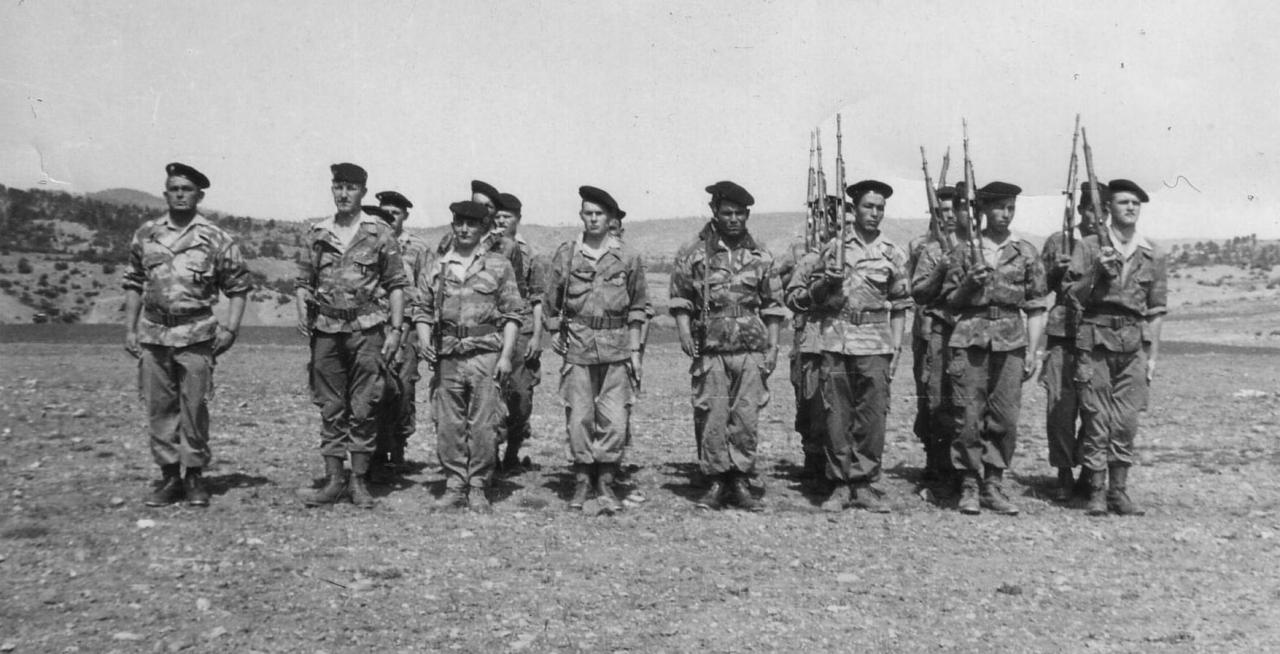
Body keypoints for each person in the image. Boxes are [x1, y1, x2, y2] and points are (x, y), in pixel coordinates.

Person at [122, 162, 252, 507]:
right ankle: (168, 478)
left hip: (196, 334)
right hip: (153, 332)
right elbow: (134, 283)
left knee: (194, 408)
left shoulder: (216, 238)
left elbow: (238, 287)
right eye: (174, 188)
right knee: (159, 408)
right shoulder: (146, 234)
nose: (180, 194)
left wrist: (231, 328)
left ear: (199, 195)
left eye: (187, 189)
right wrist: (130, 328)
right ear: (165, 193)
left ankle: (194, 477)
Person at [787, 180, 910, 513]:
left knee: (872, 417)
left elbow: (900, 303)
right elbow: (805, 297)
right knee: (836, 415)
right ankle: (840, 484)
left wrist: (896, 346)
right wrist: (828, 282)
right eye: (868, 207)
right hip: (836, 339)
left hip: (875, 341)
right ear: (854, 209)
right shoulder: (833, 249)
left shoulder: (892, 253)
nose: (874, 213)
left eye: (880, 208)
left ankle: (864, 482)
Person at [294, 163, 408, 509]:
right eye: (338, 187)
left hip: (367, 330)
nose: (344, 194)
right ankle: (333, 480)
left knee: (364, 406)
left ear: (362, 192)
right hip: (327, 330)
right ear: (332, 189)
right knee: (331, 405)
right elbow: (303, 282)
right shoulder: (317, 233)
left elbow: (396, 286)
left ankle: (358, 481)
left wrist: (396, 330)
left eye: (351, 188)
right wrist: (303, 311)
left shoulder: (379, 233)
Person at [669, 181, 785, 511]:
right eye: (726, 213)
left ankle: (741, 478)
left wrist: (774, 347)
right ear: (714, 212)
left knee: (746, 417)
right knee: (712, 416)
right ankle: (716, 480)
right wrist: (683, 332)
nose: (733, 219)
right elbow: (680, 297)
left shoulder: (760, 254)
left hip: (750, 347)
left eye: (739, 214)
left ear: (747, 215)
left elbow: (773, 305)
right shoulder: (694, 252)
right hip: (712, 346)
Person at [940, 181, 1048, 516]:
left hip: (1011, 340)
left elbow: (1035, 304)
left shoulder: (1026, 252)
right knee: (968, 415)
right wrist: (969, 284)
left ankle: (994, 483)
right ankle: (969, 483)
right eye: (999, 207)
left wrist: (1032, 350)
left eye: (1011, 208)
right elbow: (948, 301)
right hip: (970, 336)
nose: (1005, 214)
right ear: (983, 210)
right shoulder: (964, 250)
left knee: (1005, 416)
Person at [412, 200, 524, 512]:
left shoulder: (499, 265)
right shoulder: (437, 266)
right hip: (448, 355)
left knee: (484, 423)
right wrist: (423, 340)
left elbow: (514, 313)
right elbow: (420, 308)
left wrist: (506, 356)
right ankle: (454, 484)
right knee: (448, 423)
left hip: (485, 354)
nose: (464, 229)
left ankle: (478, 486)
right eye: (459, 222)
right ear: (452, 225)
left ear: (483, 229)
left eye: (471, 224)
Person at [544, 186, 648, 514]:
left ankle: (605, 480)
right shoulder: (566, 254)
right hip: (577, 347)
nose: (593, 219)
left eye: (599, 214)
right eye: (588, 213)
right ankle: (581, 480)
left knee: (615, 420)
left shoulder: (627, 257)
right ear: (581, 215)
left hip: (616, 348)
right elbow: (550, 303)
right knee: (580, 417)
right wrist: (553, 333)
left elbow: (638, 307)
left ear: (610, 218)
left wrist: (635, 353)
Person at [1065, 179, 1166, 516]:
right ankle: (1095, 490)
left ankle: (1118, 491)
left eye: (1136, 203)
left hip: (1133, 344)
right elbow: (1072, 296)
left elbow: (1155, 310)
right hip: (1095, 339)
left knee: (1125, 421)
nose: (1131, 208)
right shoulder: (1090, 246)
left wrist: (1151, 357)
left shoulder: (1152, 252)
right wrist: (1096, 273)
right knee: (1096, 419)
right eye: (1123, 202)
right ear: (1108, 207)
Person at [1039, 182, 1106, 501]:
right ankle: (1064, 472)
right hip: (1063, 334)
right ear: (1080, 210)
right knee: (1061, 407)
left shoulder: (1109, 245)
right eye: (1092, 209)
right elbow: (1038, 286)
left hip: (1097, 335)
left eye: (1104, 210)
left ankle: (1089, 471)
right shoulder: (1059, 241)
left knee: (1095, 408)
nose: (1098, 216)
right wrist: (1055, 269)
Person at [910, 183, 973, 498]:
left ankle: (969, 474)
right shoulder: (932, 250)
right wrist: (943, 269)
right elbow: (918, 291)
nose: (952, 217)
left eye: (957, 209)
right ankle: (938, 470)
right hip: (941, 332)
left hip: (974, 335)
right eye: (945, 211)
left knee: (969, 406)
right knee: (937, 401)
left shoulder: (979, 246)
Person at [366, 190, 432, 481]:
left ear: (405, 215)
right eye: (386, 211)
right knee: (377, 387)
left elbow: (427, 290)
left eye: (396, 212)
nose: (390, 216)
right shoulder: (369, 241)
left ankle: (399, 447)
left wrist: (418, 329)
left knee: (404, 388)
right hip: (373, 324)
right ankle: (376, 452)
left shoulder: (417, 247)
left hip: (405, 327)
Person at [773, 197, 839, 482]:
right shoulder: (799, 249)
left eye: (835, 217)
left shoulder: (846, 250)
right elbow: (778, 281)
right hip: (809, 335)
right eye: (823, 216)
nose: (830, 222)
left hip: (839, 336)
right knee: (809, 399)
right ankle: (813, 460)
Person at [493, 192, 545, 474]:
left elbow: (538, 298)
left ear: (518, 219)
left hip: (523, 329)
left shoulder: (530, 253)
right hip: (494, 328)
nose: (501, 221)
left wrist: (537, 336)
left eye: (507, 217)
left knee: (520, 395)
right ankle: (489, 454)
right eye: (497, 216)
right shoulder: (488, 248)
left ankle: (513, 449)